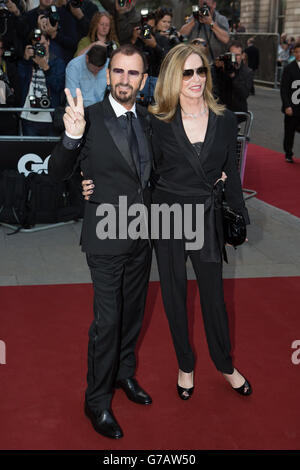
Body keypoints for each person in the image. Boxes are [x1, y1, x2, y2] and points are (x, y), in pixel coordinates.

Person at [83, 43, 253, 401]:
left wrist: (239, 216)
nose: (195, 79)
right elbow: (135, 165)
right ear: (174, 78)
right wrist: (90, 180)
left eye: (201, 71)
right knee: (175, 297)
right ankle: (185, 366)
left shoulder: (224, 119)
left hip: (206, 219)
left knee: (214, 299)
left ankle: (225, 364)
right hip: (169, 217)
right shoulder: (157, 121)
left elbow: (232, 174)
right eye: (187, 72)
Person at [48, 44, 153, 439]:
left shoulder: (147, 121)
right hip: (105, 238)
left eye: (133, 74)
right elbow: (57, 172)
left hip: (142, 236)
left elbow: (152, 177)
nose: (125, 80)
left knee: (133, 315)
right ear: (109, 75)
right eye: (119, 72)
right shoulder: (87, 118)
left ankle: (125, 374)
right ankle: (96, 400)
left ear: (143, 80)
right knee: (108, 321)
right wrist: (72, 139)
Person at [18, 30, 65, 136]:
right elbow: (19, 83)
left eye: (43, 44)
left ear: (49, 42)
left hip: (50, 117)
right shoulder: (28, 63)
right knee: (29, 151)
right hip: (29, 116)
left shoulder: (58, 63)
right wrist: (25, 61)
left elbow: (58, 87)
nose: (41, 49)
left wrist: (46, 68)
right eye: (37, 46)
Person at [215, 41, 253, 113]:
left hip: (237, 111)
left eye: (237, 55)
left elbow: (244, 94)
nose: (235, 58)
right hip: (221, 109)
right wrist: (216, 68)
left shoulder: (247, 72)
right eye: (232, 55)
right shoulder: (222, 69)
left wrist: (233, 77)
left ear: (242, 56)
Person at [280, 42, 300, 163]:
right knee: (289, 131)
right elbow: (284, 89)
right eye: (297, 52)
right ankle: (288, 153)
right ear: (293, 53)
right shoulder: (289, 68)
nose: (299, 54)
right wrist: (287, 105)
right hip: (292, 106)